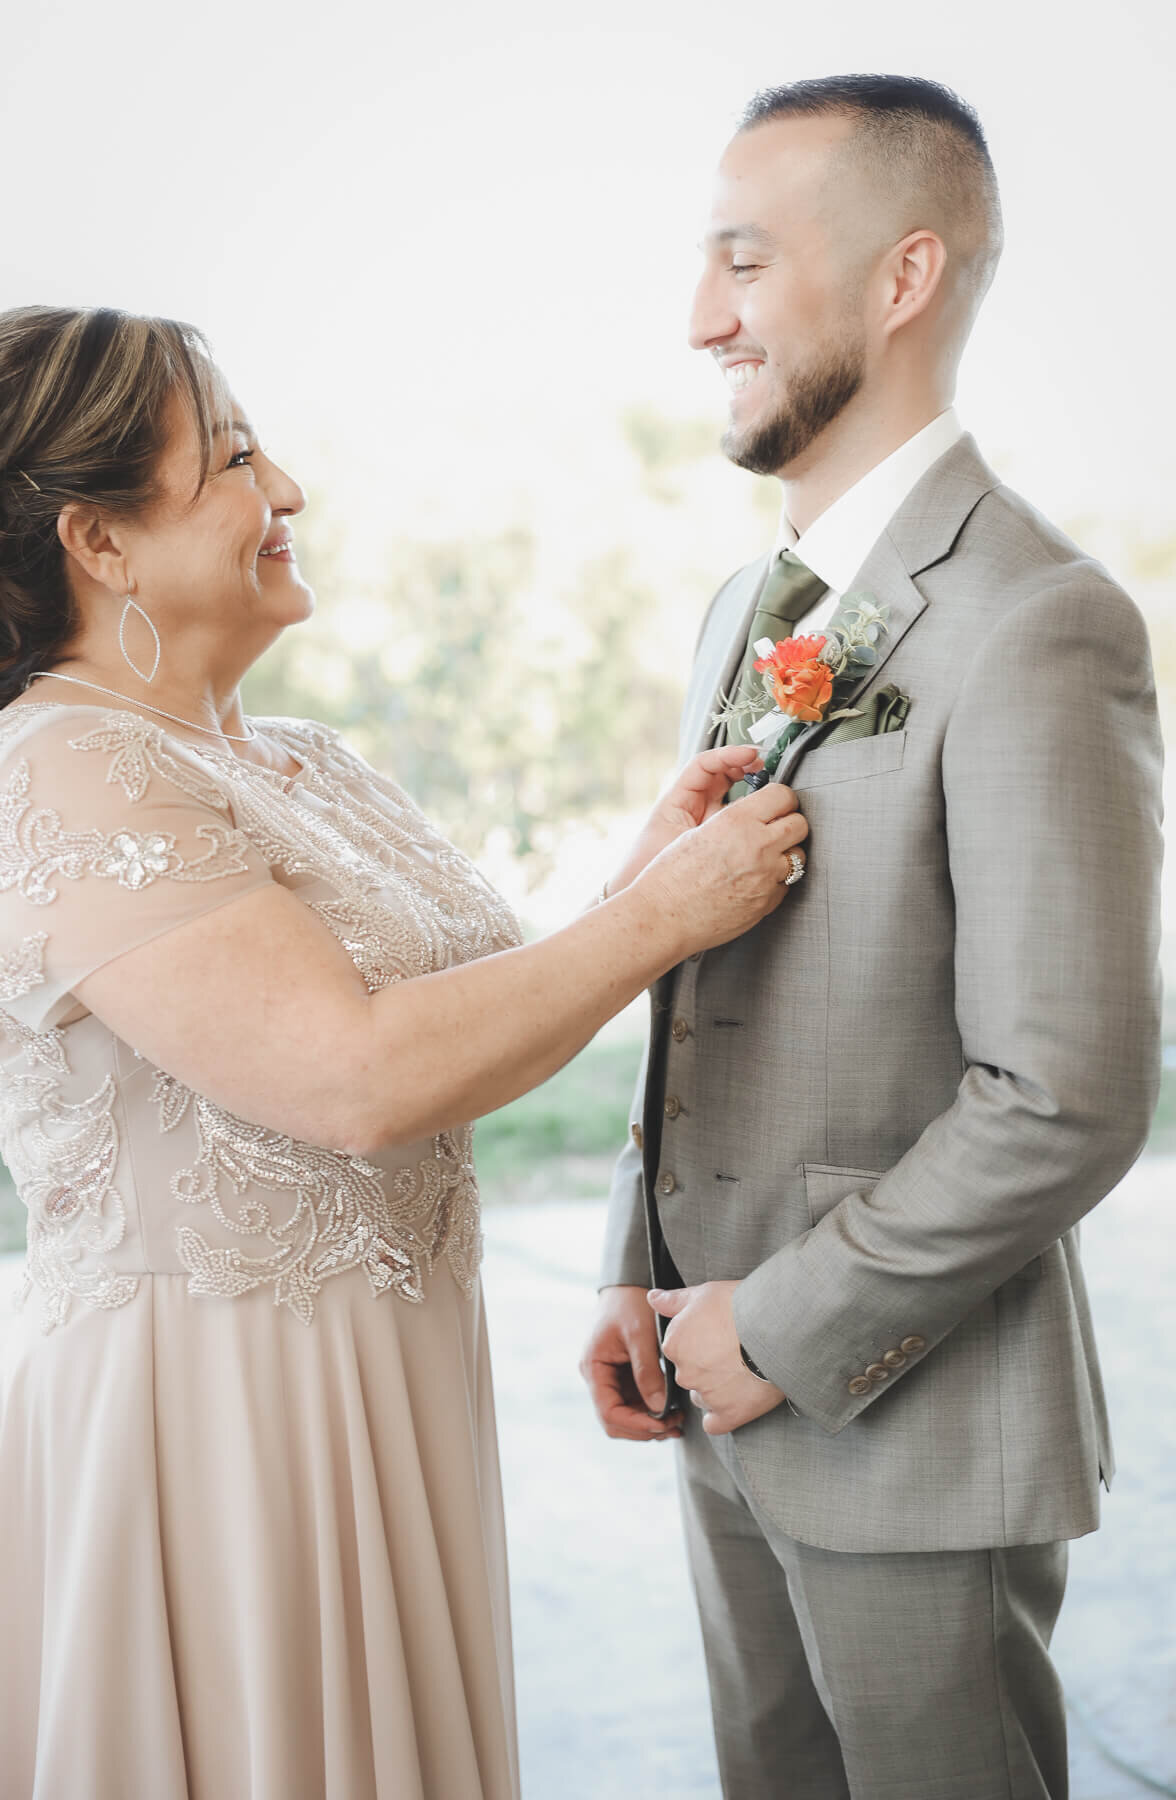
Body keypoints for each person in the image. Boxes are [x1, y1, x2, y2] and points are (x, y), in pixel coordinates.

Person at [0, 304, 810, 1799]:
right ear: (97, 543)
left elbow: (470, 1014)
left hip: (391, 1385)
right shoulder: (66, 760)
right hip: (216, 1430)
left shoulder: (305, 755)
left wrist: (641, 879)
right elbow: (353, 1078)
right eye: (235, 459)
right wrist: (667, 925)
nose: (289, 492)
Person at [582, 74, 1163, 1800]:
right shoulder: (738, 614)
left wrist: (780, 1326)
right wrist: (652, 1264)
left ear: (902, 280)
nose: (702, 318)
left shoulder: (1042, 621)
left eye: (744, 264)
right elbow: (711, 963)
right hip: (715, 1390)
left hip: (905, 1424)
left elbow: (1065, 1092)